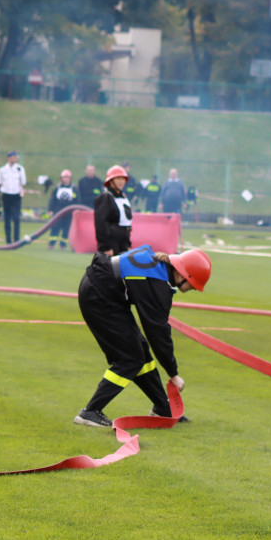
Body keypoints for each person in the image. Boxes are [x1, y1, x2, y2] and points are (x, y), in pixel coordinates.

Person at [74, 245, 212, 427]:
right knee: (130, 359)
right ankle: (90, 411)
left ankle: (163, 409)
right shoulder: (157, 283)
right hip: (99, 297)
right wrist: (173, 374)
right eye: (193, 286)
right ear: (184, 275)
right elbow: (158, 332)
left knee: (140, 351)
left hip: (102, 290)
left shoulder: (159, 270)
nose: (192, 289)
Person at [94, 164, 134, 255]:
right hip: (111, 245)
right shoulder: (105, 198)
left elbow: (126, 224)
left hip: (123, 244)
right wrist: (106, 247)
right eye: (118, 178)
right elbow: (101, 225)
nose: (121, 181)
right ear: (111, 181)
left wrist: (127, 244)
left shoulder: (124, 197)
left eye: (123, 179)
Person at [0, 151, 26, 244]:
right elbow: (0, 182)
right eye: (13, 157)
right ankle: (8, 239)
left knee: (16, 218)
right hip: (6, 195)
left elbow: (23, 182)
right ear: (9, 158)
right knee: (7, 218)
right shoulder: (2, 169)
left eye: (15, 157)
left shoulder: (20, 169)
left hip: (16, 195)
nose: (15, 159)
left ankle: (16, 239)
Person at [47, 169, 77, 250]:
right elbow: (52, 199)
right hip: (58, 211)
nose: (66, 179)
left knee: (66, 228)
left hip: (69, 212)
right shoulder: (57, 187)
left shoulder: (74, 188)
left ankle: (63, 245)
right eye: (64, 177)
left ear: (70, 178)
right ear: (61, 178)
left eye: (67, 177)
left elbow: (77, 201)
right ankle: (51, 243)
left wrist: (75, 211)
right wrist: (51, 210)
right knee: (55, 227)